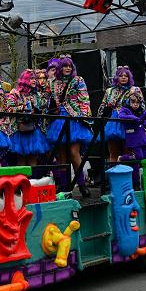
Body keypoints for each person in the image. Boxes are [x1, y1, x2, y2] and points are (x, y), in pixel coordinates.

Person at [45, 56, 92, 197]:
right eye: (65, 66)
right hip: (59, 119)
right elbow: (47, 100)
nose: (68, 68)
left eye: (70, 66)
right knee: (61, 155)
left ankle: (82, 184)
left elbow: (85, 99)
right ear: (60, 68)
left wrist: (83, 116)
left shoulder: (78, 80)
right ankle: (64, 187)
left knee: (74, 152)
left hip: (74, 119)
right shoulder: (52, 82)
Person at [98, 66, 143, 162]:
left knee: (129, 151)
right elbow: (102, 108)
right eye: (121, 75)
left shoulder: (135, 90)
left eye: (126, 76)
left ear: (129, 78)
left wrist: (134, 107)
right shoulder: (110, 91)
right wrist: (107, 107)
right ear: (116, 77)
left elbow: (142, 107)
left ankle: (129, 171)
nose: (123, 77)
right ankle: (114, 170)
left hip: (129, 122)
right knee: (113, 151)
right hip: (113, 123)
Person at [6, 69, 48, 168]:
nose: (34, 81)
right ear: (25, 80)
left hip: (33, 129)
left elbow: (43, 107)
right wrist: (24, 108)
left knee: (33, 159)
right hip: (19, 129)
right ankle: (22, 178)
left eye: (35, 78)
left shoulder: (36, 94)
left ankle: (33, 178)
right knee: (21, 160)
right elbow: (9, 108)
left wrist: (37, 108)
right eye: (31, 78)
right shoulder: (15, 92)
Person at [117, 91, 146, 190]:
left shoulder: (142, 111)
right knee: (138, 157)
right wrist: (133, 118)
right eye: (133, 102)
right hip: (133, 138)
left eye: (137, 103)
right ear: (128, 102)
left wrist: (145, 122)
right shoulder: (125, 109)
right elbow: (121, 116)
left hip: (143, 138)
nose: (135, 104)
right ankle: (135, 182)